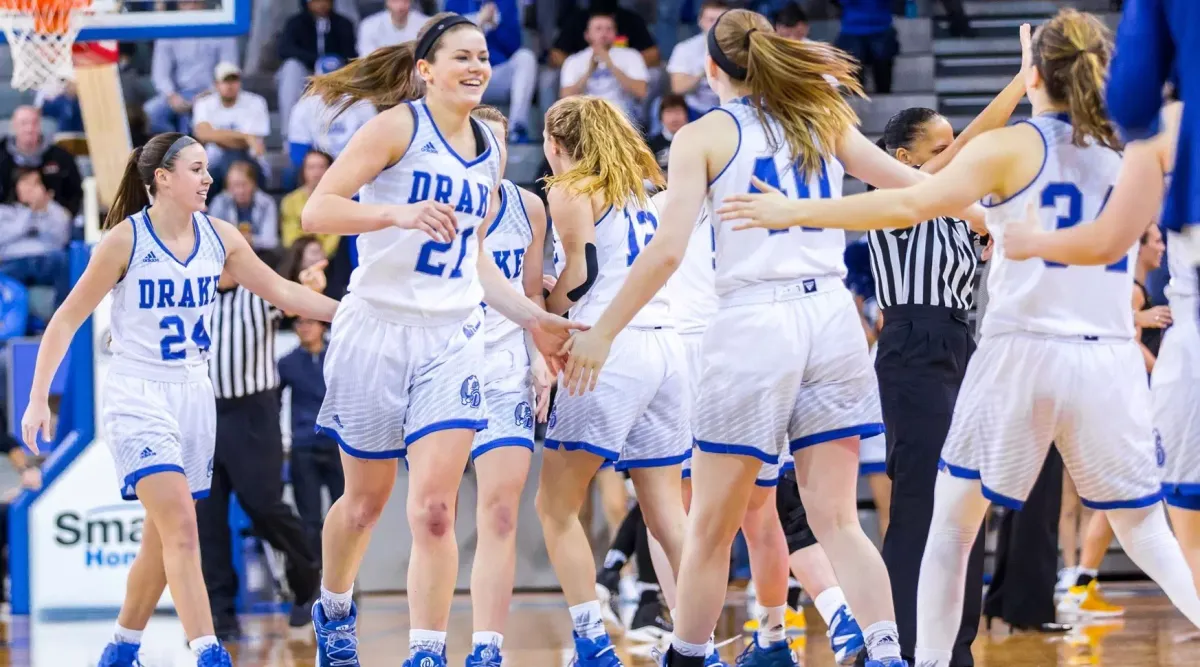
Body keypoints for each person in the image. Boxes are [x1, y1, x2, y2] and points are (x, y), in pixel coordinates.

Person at [718, 10, 1200, 665]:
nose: (949, 147)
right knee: (1130, 525)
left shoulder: (1002, 159)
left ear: (1041, 76)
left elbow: (934, 189)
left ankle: (941, 652)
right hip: (1047, 352)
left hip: (1005, 349)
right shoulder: (1127, 148)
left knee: (954, 523)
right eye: (937, 143)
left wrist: (793, 209)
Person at [558, 8, 980, 666]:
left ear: (709, 68)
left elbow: (668, 251)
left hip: (756, 322)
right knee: (839, 520)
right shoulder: (822, 115)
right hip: (833, 319)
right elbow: (905, 181)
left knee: (710, 526)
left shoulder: (704, 135)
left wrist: (604, 331)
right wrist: (976, 206)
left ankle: (688, 655)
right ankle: (890, 653)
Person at [299, 13, 584, 667]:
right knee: (366, 503)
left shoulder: (488, 149)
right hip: (377, 329)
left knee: (433, 508)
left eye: (483, 56)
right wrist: (395, 212)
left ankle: (426, 651)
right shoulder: (397, 126)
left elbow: (476, 262)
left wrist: (532, 317)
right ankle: (334, 607)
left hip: (454, 337)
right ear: (425, 69)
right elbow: (319, 210)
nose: (477, 66)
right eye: (462, 56)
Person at [19, 132, 339, 667]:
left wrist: (352, 310)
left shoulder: (221, 237)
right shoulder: (125, 241)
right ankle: (209, 651)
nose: (208, 178)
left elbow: (283, 292)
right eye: (196, 168)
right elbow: (66, 320)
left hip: (195, 393)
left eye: (207, 168)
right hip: (138, 393)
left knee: (159, 539)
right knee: (185, 531)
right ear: (161, 179)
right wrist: (35, 399)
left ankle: (121, 647)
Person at [1004, 99, 1200, 590]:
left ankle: (1080, 576)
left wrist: (1032, 243)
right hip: (1116, 373)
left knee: (1141, 509)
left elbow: (1107, 241)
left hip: (1130, 365)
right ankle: (1080, 575)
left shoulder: (1158, 133)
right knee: (1119, 505)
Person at [535, 94, 689, 667]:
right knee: (667, 513)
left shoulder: (570, 186)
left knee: (554, 507)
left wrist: (542, 310)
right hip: (665, 346)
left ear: (555, 144)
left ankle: (592, 644)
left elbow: (582, 273)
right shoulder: (640, 189)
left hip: (609, 346)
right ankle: (696, 646)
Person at [462, 104, 554, 666]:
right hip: (443, 365)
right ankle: (424, 643)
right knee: (434, 513)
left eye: (498, 144)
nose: (489, 154)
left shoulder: (529, 208)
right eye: (479, 142)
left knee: (499, 511)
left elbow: (531, 296)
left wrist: (540, 358)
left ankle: (487, 649)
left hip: (503, 368)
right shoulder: (438, 204)